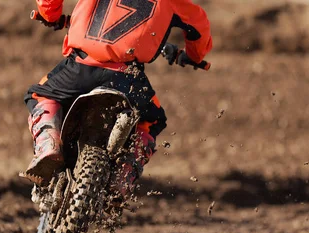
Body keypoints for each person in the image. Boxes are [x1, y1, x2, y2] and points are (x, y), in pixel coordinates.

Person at [22, 0, 213, 197]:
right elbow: (199, 24)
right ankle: (124, 175)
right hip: (127, 77)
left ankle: (48, 145)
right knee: (152, 120)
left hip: (81, 66)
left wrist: (50, 16)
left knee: (39, 94)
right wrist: (194, 56)